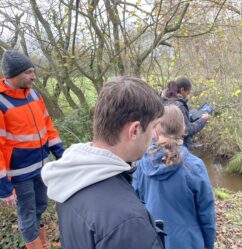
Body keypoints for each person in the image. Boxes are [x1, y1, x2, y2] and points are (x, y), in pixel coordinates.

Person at [41, 76, 165, 249]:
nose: (154, 136)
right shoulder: (128, 222)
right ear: (135, 130)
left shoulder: (69, 176)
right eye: (154, 127)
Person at [0, 50, 65, 248]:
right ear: (13, 74)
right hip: (20, 175)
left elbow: (47, 125)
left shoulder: (34, 94)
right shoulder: (2, 102)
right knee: (27, 215)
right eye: (29, 72)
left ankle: (42, 243)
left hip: (42, 167)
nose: (34, 76)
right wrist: (4, 186)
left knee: (41, 207)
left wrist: (60, 153)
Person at [132, 104, 216, 249]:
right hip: (188, 242)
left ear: (156, 129)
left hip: (153, 240)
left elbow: (136, 204)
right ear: (183, 129)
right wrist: (209, 242)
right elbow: (206, 213)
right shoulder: (195, 166)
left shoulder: (141, 163)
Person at [161, 77, 209, 149]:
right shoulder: (179, 105)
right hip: (177, 147)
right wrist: (203, 120)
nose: (187, 96)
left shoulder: (164, 100)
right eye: (187, 93)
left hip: (164, 143)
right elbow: (186, 130)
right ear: (182, 90)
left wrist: (188, 117)